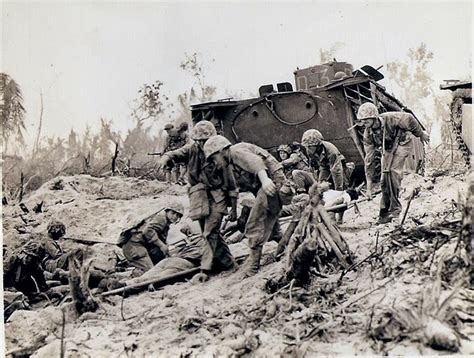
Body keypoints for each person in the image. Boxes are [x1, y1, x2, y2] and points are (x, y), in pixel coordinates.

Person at [158, 121, 237, 281]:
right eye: (198, 140)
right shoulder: (192, 149)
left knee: (210, 232)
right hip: (198, 197)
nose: (201, 144)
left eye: (204, 140)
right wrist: (165, 157)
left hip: (217, 197)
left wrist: (234, 209)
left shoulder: (220, 153)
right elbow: (177, 153)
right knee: (211, 233)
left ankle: (205, 270)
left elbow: (232, 186)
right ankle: (228, 263)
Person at [204, 135, 288, 277]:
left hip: (272, 183)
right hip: (267, 186)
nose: (215, 163)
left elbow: (256, 162)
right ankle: (288, 246)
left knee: (254, 223)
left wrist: (265, 180)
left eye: (214, 158)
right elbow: (235, 187)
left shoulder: (235, 151)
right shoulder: (231, 163)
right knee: (273, 228)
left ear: (221, 151)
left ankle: (254, 265)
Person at [356, 102, 429, 224]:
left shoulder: (391, 118)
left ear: (374, 117)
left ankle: (395, 210)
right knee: (384, 179)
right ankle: (384, 212)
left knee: (393, 173)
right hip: (388, 148)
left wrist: (420, 134)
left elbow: (409, 118)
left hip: (403, 142)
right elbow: (369, 160)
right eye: (361, 121)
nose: (364, 124)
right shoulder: (368, 134)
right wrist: (368, 188)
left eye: (366, 120)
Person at [117, 201, 184, 276]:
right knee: (150, 273)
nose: (175, 216)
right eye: (173, 213)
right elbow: (148, 231)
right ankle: (121, 276)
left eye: (178, 215)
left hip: (138, 246)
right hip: (134, 246)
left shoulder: (164, 222)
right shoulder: (161, 218)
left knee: (159, 262)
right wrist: (161, 245)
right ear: (167, 211)